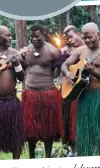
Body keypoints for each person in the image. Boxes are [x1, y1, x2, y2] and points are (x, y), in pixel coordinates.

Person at [61, 22, 100, 156]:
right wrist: (67, 74)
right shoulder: (80, 50)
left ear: (97, 35)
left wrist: (93, 71)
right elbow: (65, 64)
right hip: (85, 96)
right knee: (86, 134)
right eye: (85, 37)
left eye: (90, 37)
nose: (87, 40)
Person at [20, 24, 63, 158]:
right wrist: (19, 59)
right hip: (30, 93)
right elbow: (21, 69)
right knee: (30, 128)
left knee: (48, 127)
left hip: (47, 94)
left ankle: (48, 156)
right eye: (32, 36)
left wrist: (59, 64)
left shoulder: (53, 51)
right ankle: (32, 156)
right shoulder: (26, 51)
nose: (34, 39)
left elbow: (56, 73)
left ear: (43, 34)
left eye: (37, 36)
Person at [0, 25, 25, 159]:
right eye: (7, 35)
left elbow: (22, 77)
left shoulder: (14, 52)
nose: (10, 38)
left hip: (11, 101)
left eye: (11, 35)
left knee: (16, 136)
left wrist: (17, 64)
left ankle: (16, 163)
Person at [58, 25, 85, 157]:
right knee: (69, 120)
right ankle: (72, 150)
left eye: (70, 36)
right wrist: (68, 74)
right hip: (71, 90)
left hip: (88, 92)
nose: (68, 39)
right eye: (66, 37)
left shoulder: (90, 49)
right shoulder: (67, 51)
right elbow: (63, 66)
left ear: (79, 33)